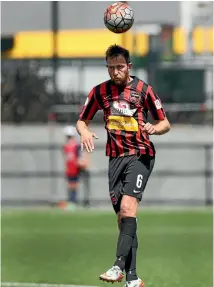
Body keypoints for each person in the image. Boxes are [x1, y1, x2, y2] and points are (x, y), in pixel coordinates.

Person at [76, 45, 170, 287]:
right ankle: (133, 278)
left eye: (120, 67)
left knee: (128, 209)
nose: (115, 72)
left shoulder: (143, 90)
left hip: (141, 155)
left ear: (129, 66)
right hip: (115, 159)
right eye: (111, 67)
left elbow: (165, 123)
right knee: (124, 220)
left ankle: (118, 266)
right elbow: (81, 121)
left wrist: (153, 128)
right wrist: (84, 132)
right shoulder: (99, 92)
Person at [62, 125, 89, 210]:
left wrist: (82, 163)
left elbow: (81, 157)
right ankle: (71, 201)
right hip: (70, 169)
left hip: (76, 169)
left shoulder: (76, 146)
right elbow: (67, 158)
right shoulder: (66, 146)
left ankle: (73, 202)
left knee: (74, 185)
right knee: (70, 185)